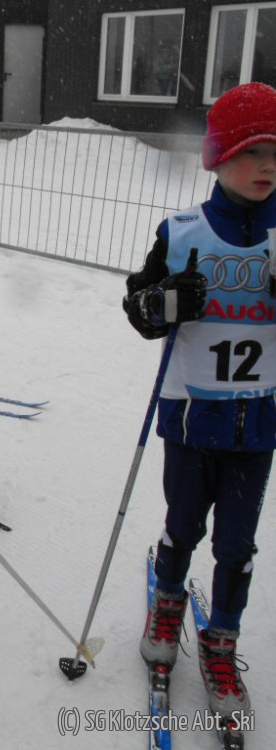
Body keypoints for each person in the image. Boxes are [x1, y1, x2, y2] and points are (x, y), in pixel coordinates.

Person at [126, 82, 276, 720]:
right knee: (184, 524)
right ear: (218, 157)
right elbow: (138, 308)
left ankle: (222, 642)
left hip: (258, 423)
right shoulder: (183, 232)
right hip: (191, 417)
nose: (267, 166)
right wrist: (165, 302)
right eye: (252, 152)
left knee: (237, 544)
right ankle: (167, 604)